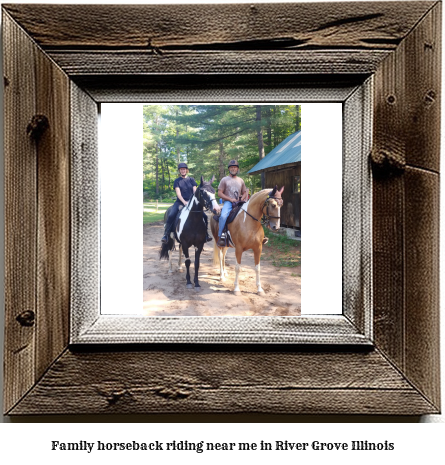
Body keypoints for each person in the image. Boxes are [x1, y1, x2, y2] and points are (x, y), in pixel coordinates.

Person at [161, 163, 212, 244]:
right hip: (180, 202)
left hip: (191, 202)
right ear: (179, 171)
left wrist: (193, 202)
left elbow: (195, 192)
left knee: (204, 216)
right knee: (171, 215)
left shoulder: (191, 180)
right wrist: (184, 202)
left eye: (184, 169)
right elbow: (178, 193)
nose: (183, 170)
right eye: (181, 169)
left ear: (186, 170)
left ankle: (206, 234)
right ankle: (166, 234)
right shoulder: (177, 181)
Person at [217, 159, 248, 247]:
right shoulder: (224, 179)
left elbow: (245, 192)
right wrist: (230, 199)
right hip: (228, 202)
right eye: (231, 167)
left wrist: (242, 197)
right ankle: (221, 236)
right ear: (229, 169)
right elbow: (220, 193)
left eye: (235, 167)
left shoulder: (241, 180)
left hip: (239, 202)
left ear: (237, 169)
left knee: (251, 213)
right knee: (223, 216)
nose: (233, 169)